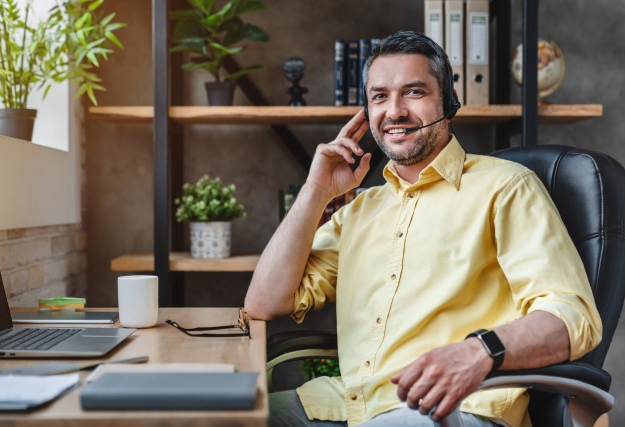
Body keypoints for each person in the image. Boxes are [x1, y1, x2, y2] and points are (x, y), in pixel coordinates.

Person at [244, 30, 602, 427]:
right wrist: (315, 192)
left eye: (413, 92)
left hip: (449, 410)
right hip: (348, 407)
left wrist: (477, 352)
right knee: (218, 419)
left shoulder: (506, 187)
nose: (393, 111)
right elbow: (264, 303)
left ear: (448, 103)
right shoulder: (360, 210)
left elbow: (572, 318)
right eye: (379, 96)